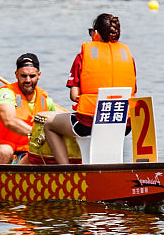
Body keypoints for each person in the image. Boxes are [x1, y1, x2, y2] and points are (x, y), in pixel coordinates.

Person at [43, 13, 137, 164]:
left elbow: (74, 96)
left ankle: (66, 171)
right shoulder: (127, 57)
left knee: (49, 125)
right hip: (122, 124)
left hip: (88, 123)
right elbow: (132, 91)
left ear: (96, 33)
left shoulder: (82, 56)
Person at [0, 53, 53, 164]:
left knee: (43, 155)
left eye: (32, 76)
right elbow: (9, 121)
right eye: (23, 76)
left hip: (24, 152)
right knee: (5, 151)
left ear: (39, 75)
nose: (28, 80)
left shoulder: (46, 100)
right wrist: (35, 134)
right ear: (16, 75)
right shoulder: (6, 93)